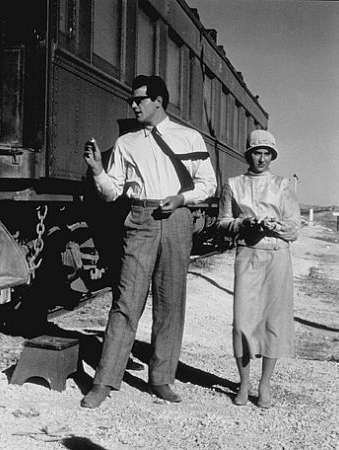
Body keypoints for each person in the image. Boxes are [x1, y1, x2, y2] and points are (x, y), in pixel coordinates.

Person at [81, 75, 217, 408]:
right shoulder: (127, 142)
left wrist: (182, 199)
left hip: (176, 220)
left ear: (158, 101)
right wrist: (99, 170)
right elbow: (112, 193)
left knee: (170, 303)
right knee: (126, 301)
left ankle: (161, 379)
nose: (133, 105)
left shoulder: (188, 137)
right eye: (133, 100)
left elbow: (208, 183)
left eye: (139, 100)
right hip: (140, 220)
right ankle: (104, 381)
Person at [217, 129, 301, 408]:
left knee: (272, 323)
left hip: (277, 256)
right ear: (248, 154)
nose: (261, 158)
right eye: (257, 152)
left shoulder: (282, 184)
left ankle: (264, 386)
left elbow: (294, 228)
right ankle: (244, 383)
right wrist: (244, 224)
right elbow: (222, 222)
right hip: (248, 255)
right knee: (243, 322)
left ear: (273, 155)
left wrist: (274, 225)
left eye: (267, 153)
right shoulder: (234, 184)